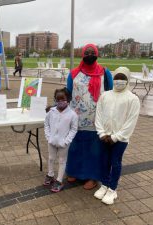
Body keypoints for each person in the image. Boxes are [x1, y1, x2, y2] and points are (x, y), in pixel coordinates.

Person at [65, 43, 113, 190]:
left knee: (94, 149)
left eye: (93, 52)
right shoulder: (73, 73)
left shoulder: (105, 73)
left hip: (96, 120)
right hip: (77, 119)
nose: (90, 55)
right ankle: (74, 172)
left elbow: (110, 94)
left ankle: (92, 177)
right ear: (83, 55)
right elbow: (67, 94)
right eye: (87, 52)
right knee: (76, 147)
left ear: (97, 54)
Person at [94, 67, 140, 204]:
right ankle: (104, 184)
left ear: (127, 80)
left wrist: (115, 137)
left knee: (115, 162)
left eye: (123, 79)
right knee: (104, 161)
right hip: (104, 136)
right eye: (117, 78)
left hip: (120, 139)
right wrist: (102, 133)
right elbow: (99, 115)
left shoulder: (132, 99)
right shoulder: (105, 95)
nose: (119, 81)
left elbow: (130, 122)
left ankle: (112, 189)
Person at [44, 88, 78, 192]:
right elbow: (46, 124)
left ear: (68, 99)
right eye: (57, 100)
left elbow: (73, 129)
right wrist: (48, 137)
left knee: (62, 161)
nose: (60, 102)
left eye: (62, 99)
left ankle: (59, 180)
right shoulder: (51, 112)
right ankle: (50, 175)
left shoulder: (72, 114)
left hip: (64, 143)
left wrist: (67, 141)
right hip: (52, 141)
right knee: (50, 158)